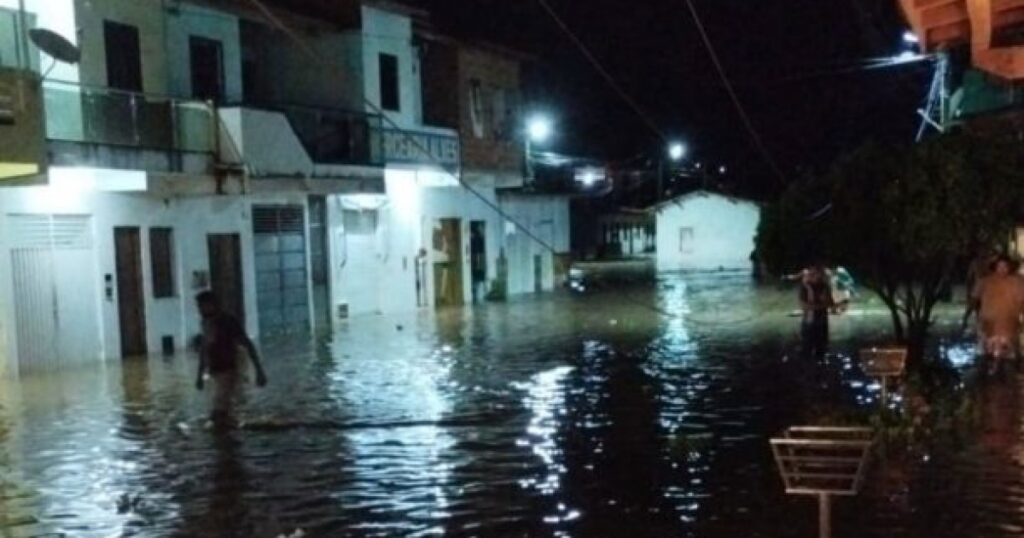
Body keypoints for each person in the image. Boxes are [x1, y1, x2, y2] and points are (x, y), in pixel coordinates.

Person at [195, 291, 268, 425]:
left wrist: (259, 371)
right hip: (215, 372)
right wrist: (199, 375)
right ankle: (233, 430)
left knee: (218, 414)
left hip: (229, 370)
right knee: (221, 413)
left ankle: (229, 439)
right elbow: (204, 349)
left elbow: (247, 344)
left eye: (201, 306)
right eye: (198, 307)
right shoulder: (206, 322)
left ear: (212, 305)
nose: (199, 310)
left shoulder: (228, 321)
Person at [971, 255, 1024, 375]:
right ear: (995, 267)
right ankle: (992, 370)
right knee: (989, 352)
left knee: (1009, 353)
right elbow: (975, 299)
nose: (1002, 269)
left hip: (1009, 322)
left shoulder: (1018, 282)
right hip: (989, 322)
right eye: (999, 266)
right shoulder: (985, 281)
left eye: (1005, 266)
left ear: (1010, 267)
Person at [799, 265, 834, 360]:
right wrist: (822, 305)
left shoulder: (824, 286)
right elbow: (805, 306)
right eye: (812, 273)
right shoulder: (805, 287)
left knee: (821, 349)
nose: (815, 276)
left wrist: (816, 306)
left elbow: (830, 303)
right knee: (808, 349)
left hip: (820, 322)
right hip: (809, 322)